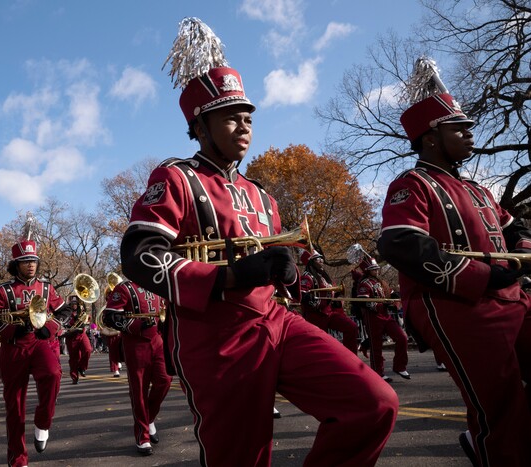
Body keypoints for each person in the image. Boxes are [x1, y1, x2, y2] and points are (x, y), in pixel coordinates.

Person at [119, 17, 398, 467]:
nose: (245, 123)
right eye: (231, 115)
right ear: (200, 125)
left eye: (248, 115)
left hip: (277, 321)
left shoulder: (263, 195)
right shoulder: (175, 178)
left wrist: (285, 266)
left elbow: (275, 258)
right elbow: (138, 255)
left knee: (374, 403)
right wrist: (225, 276)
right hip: (216, 337)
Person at [378, 81, 531, 466]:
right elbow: (400, 243)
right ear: (430, 138)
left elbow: (514, 231)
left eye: (468, 126)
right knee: (501, 406)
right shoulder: (412, 184)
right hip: (457, 302)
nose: (469, 133)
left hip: (512, 296)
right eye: (458, 128)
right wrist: (481, 275)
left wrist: (525, 258)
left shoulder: (480, 189)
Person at [0, 238, 69, 467]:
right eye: (25, 261)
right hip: (13, 347)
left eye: (33, 261)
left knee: (53, 374)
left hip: (39, 344)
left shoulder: (47, 288)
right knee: (15, 408)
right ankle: (18, 460)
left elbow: (65, 310)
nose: (30, 265)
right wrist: (10, 330)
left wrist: (51, 327)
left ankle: (42, 422)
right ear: (16, 264)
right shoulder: (3, 290)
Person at [103, 280, 172, 455]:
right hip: (135, 345)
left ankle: (148, 419)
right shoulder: (124, 288)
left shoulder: (157, 284)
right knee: (139, 390)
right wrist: (136, 325)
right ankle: (143, 436)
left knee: (165, 380)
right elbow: (109, 316)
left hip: (157, 340)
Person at [355, 256, 410, 382]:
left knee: (402, 337)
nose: (376, 271)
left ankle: (400, 366)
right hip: (373, 317)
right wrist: (382, 304)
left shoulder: (380, 281)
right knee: (376, 346)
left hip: (386, 316)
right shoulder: (364, 284)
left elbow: (388, 293)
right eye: (373, 269)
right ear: (367, 270)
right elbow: (364, 302)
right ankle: (378, 372)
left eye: (377, 268)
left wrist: (394, 295)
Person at [299, 249, 359, 354]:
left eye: (321, 258)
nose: (321, 260)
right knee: (321, 347)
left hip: (329, 313)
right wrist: (313, 302)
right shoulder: (307, 276)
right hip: (315, 316)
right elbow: (302, 293)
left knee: (351, 327)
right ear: (311, 261)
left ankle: (351, 358)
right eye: (318, 259)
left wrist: (336, 297)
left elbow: (330, 293)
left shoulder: (324, 277)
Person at [63, 296, 92, 385]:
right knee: (74, 358)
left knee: (88, 350)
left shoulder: (82, 311)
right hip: (71, 337)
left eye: (76, 303)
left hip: (81, 334)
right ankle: (74, 377)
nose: (74, 305)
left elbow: (88, 319)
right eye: (72, 304)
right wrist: (67, 328)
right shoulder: (66, 312)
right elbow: (63, 323)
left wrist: (87, 320)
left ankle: (82, 367)